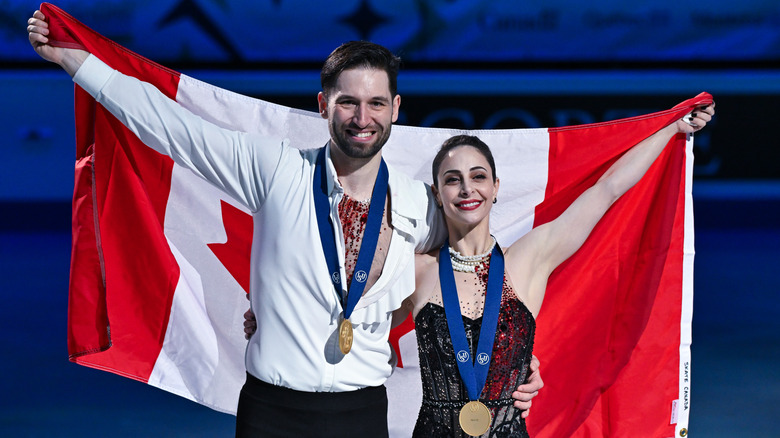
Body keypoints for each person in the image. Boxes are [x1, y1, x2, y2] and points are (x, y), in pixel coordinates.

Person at [27, 9, 542, 438]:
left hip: (362, 416)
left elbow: (478, 271)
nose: (362, 117)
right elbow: (170, 126)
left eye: (376, 103)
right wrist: (74, 60)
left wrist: (515, 363)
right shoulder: (275, 170)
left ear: (395, 109)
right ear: (323, 105)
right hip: (272, 415)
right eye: (348, 102)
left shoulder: (422, 205)